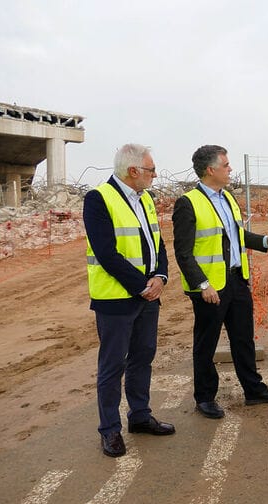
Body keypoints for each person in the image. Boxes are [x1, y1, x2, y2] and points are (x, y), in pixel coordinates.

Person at [173, 145, 268, 419]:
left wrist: (264, 241)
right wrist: (203, 285)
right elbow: (183, 252)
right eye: (226, 165)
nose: (230, 169)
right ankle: (204, 398)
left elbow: (235, 235)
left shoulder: (226, 199)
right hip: (210, 287)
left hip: (236, 280)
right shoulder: (188, 203)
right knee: (206, 343)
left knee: (243, 339)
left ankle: (254, 390)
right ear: (210, 170)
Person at [83, 143, 175, 458]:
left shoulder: (145, 198)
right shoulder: (99, 199)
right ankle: (109, 430)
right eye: (151, 169)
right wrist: (141, 285)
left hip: (148, 296)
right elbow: (106, 253)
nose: (155, 174)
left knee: (142, 357)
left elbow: (158, 243)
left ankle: (140, 416)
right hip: (116, 300)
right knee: (112, 365)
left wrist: (160, 277)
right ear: (132, 170)